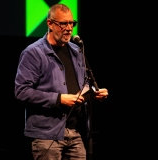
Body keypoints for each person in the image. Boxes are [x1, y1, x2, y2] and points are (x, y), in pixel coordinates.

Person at [14, 3, 109, 160]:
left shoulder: (76, 51)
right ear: (50, 24)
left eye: (71, 23)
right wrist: (59, 99)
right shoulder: (33, 53)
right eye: (63, 23)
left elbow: (81, 85)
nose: (69, 28)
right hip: (47, 135)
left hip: (75, 132)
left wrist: (93, 94)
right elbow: (21, 92)